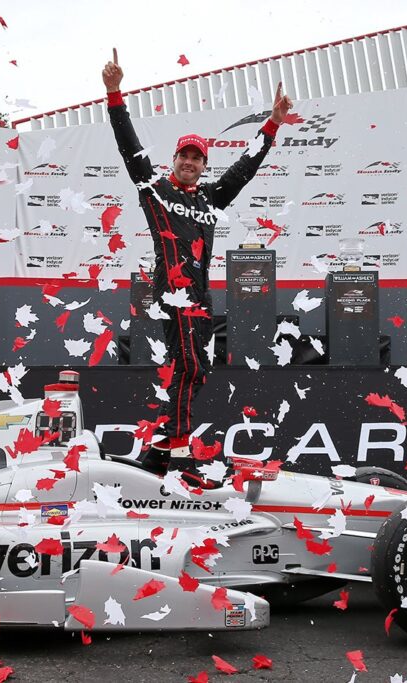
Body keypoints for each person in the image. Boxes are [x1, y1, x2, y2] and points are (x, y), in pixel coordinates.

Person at [102, 48, 292, 484]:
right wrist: (114, 94)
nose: (189, 162)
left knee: (193, 370)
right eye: (183, 156)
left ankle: (158, 456)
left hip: (201, 297)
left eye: (197, 158)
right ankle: (180, 460)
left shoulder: (209, 199)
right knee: (188, 365)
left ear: (204, 165)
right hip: (173, 292)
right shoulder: (155, 190)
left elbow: (245, 168)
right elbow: (129, 148)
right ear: (174, 161)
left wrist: (274, 122)